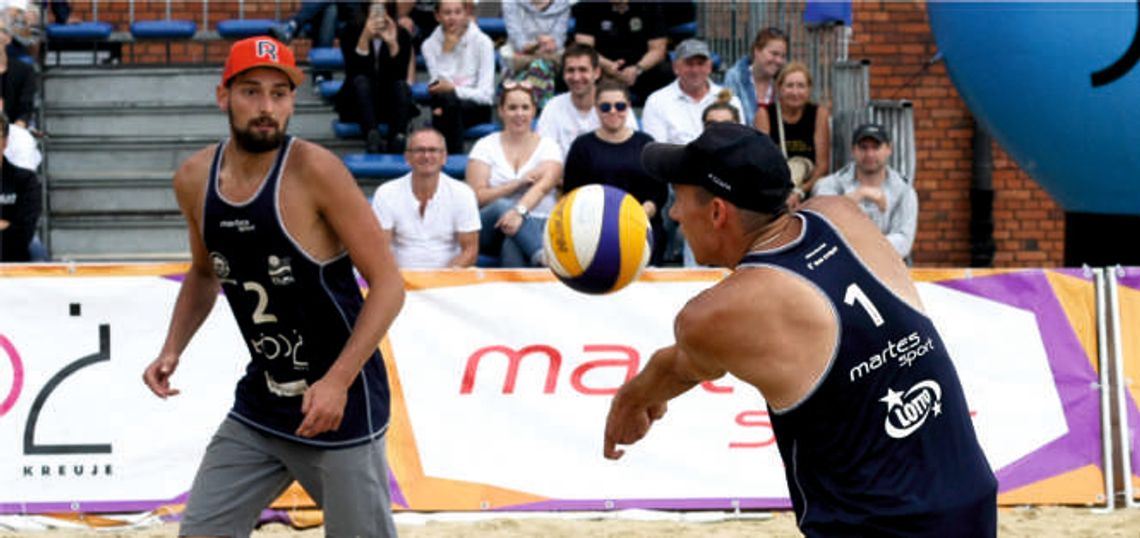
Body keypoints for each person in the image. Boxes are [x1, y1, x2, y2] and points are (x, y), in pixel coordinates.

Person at [605, 122, 997, 536]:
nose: (673, 214)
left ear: (718, 212)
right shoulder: (839, 213)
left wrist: (631, 399)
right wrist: (638, 397)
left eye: (679, 198)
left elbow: (681, 367)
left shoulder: (714, 314)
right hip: (969, 497)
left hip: (880, 524)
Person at [141, 37, 404, 538]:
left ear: (292, 102)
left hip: (342, 402)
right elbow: (204, 273)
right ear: (223, 96)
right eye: (251, 92)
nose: (267, 107)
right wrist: (172, 348)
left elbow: (390, 284)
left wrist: (337, 381)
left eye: (279, 94)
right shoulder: (194, 178)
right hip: (265, 397)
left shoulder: (316, 170)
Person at [563, 79, 665, 264]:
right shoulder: (582, 146)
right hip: (594, 232)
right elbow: (572, 193)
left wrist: (639, 215)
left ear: (628, 107)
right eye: (605, 107)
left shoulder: (646, 143)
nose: (613, 111)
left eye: (620, 106)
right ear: (596, 109)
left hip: (640, 227)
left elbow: (658, 192)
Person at [465, 82, 562, 267]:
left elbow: (543, 187)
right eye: (512, 108)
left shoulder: (549, 146)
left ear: (534, 111)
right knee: (502, 205)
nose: (519, 114)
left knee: (512, 239)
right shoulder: (485, 145)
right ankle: (542, 256)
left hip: (538, 223)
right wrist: (516, 184)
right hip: (490, 227)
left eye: (525, 107)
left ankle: (531, 269)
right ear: (501, 111)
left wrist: (518, 213)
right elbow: (477, 197)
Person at [371, 128, 480, 268]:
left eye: (433, 150)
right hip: (399, 275)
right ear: (407, 157)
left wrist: (444, 277)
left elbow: (470, 250)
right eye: (419, 150)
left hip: (450, 275)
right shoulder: (386, 193)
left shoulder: (463, 193)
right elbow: (381, 248)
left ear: (444, 157)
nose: (426, 156)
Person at [814, 123, 918, 260]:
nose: (870, 154)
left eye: (876, 147)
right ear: (853, 150)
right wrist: (858, 195)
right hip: (841, 264)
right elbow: (824, 228)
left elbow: (903, 243)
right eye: (863, 147)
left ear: (889, 149)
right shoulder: (828, 185)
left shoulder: (904, 191)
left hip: (887, 266)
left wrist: (857, 245)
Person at [335, 0, 415, 154]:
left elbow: (399, 76)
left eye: (385, 8)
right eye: (376, 8)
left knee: (401, 86)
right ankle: (372, 136)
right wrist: (364, 39)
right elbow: (353, 73)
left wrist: (392, 44)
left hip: (386, 103)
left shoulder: (402, 35)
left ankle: (398, 138)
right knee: (361, 81)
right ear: (367, 9)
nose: (380, 14)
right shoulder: (351, 31)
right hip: (357, 103)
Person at [536, 43, 639, 159]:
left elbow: (632, 150)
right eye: (570, 70)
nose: (576, 77)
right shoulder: (553, 107)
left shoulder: (616, 104)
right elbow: (544, 155)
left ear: (597, 73)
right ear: (563, 74)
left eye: (583, 70)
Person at [422, 0, 496, 154]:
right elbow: (438, 86)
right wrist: (447, 51)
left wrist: (453, 89)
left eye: (457, 12)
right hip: (446, 103)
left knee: (444, 109)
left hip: (477, 106)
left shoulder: (483, 42)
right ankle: (455, 158)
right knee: (447, 104)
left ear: (466, 14)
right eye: (447, 13)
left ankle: (447, 158)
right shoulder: (429, 45)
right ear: (437, 16)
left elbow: (486, 96)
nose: (453, 18)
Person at [755, 61, 831, 203]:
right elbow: (762, 162)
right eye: (789, 86)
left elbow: (822, 166)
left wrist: (799, 192)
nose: (795, 92)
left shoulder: (819, 114)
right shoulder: (764, 115)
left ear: (809, 89)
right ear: (779, 88)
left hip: (808, 186)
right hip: (775, 185)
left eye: (801, 86)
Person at [572, 0, 671, 104]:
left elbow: (658, 50)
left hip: (642, 68)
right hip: (602, 67)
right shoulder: (587, 5)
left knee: (664, 72)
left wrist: (637, 69)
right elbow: (585, 48)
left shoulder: (650, 5)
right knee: (577, 70)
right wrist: (608, 66)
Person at [500, 0, 571, 107]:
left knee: (538, 66)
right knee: (538, 67)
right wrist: (538, 45)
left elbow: (558, 40)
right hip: (520, 57)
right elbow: (518, 40)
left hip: (547, 58)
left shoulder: (563, 3)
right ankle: (539, 109)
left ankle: (529, 107)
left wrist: (541, 47)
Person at [722, 27, 788, 127]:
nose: (779, 61)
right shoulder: (735, 78)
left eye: (783, 56)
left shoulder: (784, 83)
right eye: (774, 54)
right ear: (757, 51)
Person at [0, 111, 39, 262]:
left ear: (5, 142)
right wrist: (6, 225)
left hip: (12, 261)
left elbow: (22, 236)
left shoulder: (26, 181)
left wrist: (12, 230)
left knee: (38, 252)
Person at [0, 12, 36, 128]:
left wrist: (13, 132)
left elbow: (25, 110)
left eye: (1, 31)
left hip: (13, 129)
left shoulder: (24, 71)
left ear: (8, 39)